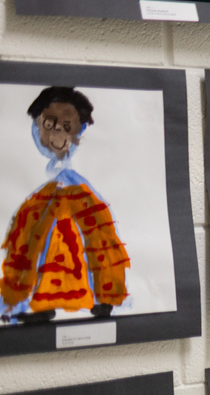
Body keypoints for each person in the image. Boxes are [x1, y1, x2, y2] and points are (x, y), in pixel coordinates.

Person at [1, 87, 129, 324]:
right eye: (49, 124)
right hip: (50, 196)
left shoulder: (83, 194)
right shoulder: (37, 197)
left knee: (93, 235)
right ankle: (34, 301)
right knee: (32, 237)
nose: (58, 130)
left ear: (79, 131)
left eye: (66, 126)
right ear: (37, 127)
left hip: (73, 195)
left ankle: (101, 297)